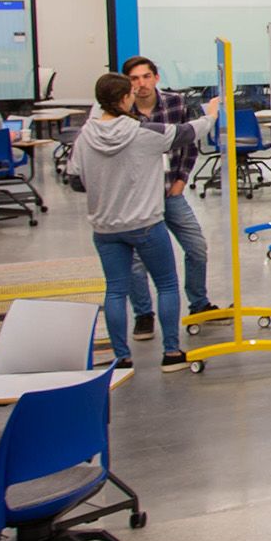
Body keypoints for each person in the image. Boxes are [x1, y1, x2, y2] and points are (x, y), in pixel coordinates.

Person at [76, 72, 218, 373]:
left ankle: (121, 359)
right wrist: (212, 115)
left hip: (105, 228)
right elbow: (187, 133)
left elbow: (76, 179)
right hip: (145, 224)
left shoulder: (84, 136)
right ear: (125, 99)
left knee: (115, 290)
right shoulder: (143, 133)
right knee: (166, 284)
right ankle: (170, 353)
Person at [117, 55, 225, 339]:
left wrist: (181, 180)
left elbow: (189, 142)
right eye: (134, 79)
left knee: (196, 246)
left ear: (156, 78)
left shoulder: (175, 103)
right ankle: (143, 314)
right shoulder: (122, 113)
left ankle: (199, 304)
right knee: (136, 261)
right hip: (138, 199)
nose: (141, 84)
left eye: (146, 76)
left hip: (170, 192)